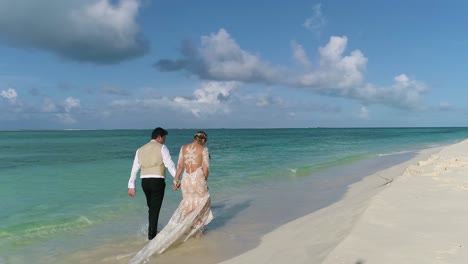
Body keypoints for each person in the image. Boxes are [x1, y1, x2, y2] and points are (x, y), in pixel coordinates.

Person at [129, 131, 213, 264]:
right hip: (196, 178)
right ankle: (195, 230)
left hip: (182, 179)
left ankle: (185, 229)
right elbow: (205, 168)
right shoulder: (203, 149)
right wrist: (204, 181)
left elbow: (179, 165)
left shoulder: (183, 148)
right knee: (203, 202)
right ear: (203, 140)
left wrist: (176, 180)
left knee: (187, 204)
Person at [127, 127, 177, 240]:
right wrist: (176, 179)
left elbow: (134, 168)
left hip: (144, 182)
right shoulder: (162, 148)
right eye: (164, 138)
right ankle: (151, 237)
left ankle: (152, 230)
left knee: (152, 208)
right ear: (159, 137)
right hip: (157, 181)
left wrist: (131, 186)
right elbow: (170, 165)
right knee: (154, 209)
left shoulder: (140, 150)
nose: (165, 140)